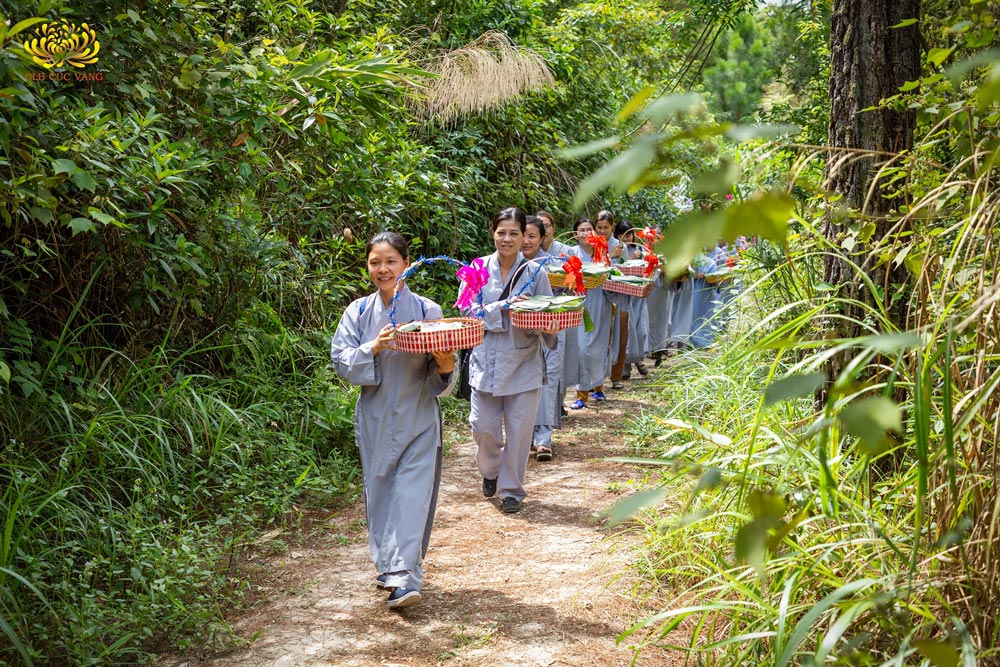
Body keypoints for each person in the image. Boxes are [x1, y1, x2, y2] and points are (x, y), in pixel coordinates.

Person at [329, 231, 456, 610]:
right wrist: (374, 346)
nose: (383, 269)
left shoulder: (429, 311)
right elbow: (341, 360)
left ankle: (406, 576)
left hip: (418, 415)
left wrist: (447, 362)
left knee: (412, 495)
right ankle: (389, 569)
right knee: (381, 492)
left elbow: (444, 375)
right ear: (367, 266)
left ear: (406, 263)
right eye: (375, 262)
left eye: (391, 261)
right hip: (376, 418)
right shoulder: (358, 312)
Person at [467, 207, 558, 514]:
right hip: (486, 363)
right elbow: (469, 314)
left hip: (524, 363)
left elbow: (548, 314)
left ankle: (511, 491)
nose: (507, 239)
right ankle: (490, 470)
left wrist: (548, 327)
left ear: (526, 238)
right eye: (501, 232)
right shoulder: (476, 268)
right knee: (483, 427)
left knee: (520, 433)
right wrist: (505, 307)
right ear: (493, 233)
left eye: (514, 233)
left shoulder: (537, 273)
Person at [522, 215, 562, 461]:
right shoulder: (507, 266)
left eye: (532, 236)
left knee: (547, 382)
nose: (526, 241)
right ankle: (523, 434)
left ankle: (544, 438)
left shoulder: (554, 264)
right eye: (522, 235)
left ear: (542, 238)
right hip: (517, 340)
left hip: (548, 332)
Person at [568, 217, 613, 409]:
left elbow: (611, 276)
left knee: (599, 348)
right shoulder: (571, 254)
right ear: (575, 234)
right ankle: (582, 392)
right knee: (583, 349)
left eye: (589, 229)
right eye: (582, 230)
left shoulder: (601, 253)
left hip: (601, 303)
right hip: (580, 305)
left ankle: (598, 386)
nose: (586, 233)